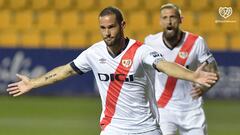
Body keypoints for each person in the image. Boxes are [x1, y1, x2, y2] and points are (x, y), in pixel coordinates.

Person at [7, 6, 217, 135]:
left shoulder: (141, 51)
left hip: (146, 129)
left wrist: (192, 75)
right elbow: (66, 71)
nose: (107, 33)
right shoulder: (94, 53)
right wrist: (33, 83)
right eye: (103, 28)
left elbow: (164, 65)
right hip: (113, 129)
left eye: (112, 27)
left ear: (122, 25)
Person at [144, 3, 220, 135]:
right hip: (163, 108)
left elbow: (214, 72)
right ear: (160, 21)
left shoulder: (196, 42)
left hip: (192, 110)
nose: (169, 21)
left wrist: (204, 87)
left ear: (180, 19)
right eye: (165, 17)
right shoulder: (150, 42)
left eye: (173, 17)